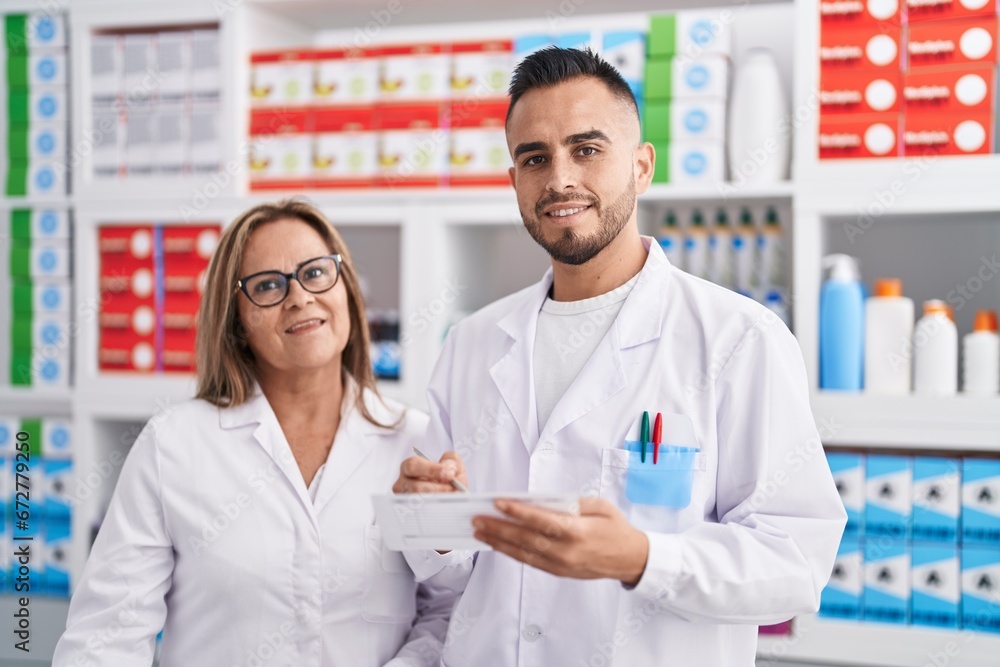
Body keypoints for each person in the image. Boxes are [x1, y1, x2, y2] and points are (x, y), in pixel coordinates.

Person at [394, 48, 847, 666]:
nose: (559, 179)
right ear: (514, 181)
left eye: (586, 150)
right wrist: (434, 527)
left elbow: (795, 564)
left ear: (640, 166)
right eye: (535, 158)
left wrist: (642, 557)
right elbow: (448, 587)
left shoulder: (739, 340)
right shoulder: (472, 344)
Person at [53, 200, 465, 667]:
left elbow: (450, 608)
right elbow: (108, 635)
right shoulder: (174, 444)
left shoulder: (415, 443)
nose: (300, 297)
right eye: (268, 285)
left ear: (346, 289)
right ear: (237, 322)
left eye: (315, 273)